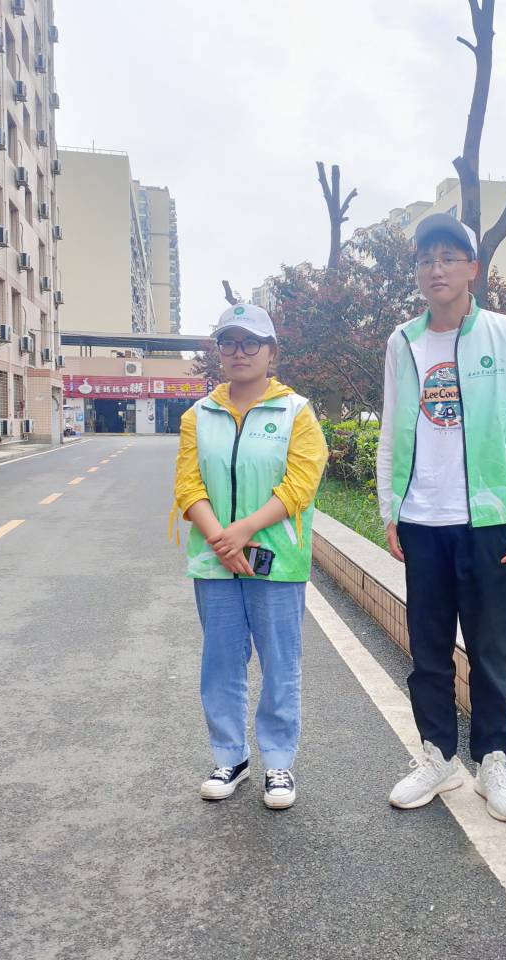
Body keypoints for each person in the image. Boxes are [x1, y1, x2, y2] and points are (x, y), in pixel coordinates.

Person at [376, 213, 506, 822]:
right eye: (426, 259)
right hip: (421, 518)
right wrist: (389, 509)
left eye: (449, 257)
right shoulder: (402, 341)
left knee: (490, 650)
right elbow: (391, 430)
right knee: (428, 651)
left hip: (489, 520)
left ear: (472, 268)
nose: (436, 269)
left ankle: (492, 761)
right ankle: (438, 757)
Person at [172, 303, 328, 810]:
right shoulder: (198, 416)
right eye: (229, 342)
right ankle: (230, 757)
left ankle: (278, 762)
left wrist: (243, 531)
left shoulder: (295, 412)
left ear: (271, 352)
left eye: (251, 343)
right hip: (214, 560)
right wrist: (222, 539)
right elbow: (188, 485)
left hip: (276, 560)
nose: (240, 352)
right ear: (219, 351)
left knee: (280, 663)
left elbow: (300, 483)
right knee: (220, 663)